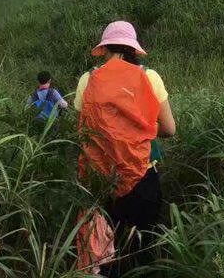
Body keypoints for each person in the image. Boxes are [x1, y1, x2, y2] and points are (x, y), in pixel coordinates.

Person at [74, 21, 176, 276]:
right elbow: (170, 129)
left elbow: (84, 129)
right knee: (142, 245)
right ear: (133, 48)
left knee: (106, 247)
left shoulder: (87, 80)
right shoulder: (149, 76)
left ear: (104, 48)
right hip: (142, 174)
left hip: (100, 178)